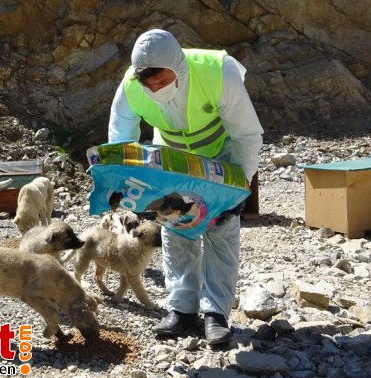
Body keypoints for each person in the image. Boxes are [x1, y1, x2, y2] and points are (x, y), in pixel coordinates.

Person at [107, 29, 263, 345]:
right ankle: (181, 310)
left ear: (178, 68)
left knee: (220, 227)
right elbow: (120, 137)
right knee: (175, 226)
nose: (154, 89)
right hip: (173, 157)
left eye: (161, 82)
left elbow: (246, 135)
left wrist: (239, 189)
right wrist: (120, 183)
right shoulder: (132, 85)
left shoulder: (218, 71)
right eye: (148, 84)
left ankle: (216, 314)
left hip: (221, 153)